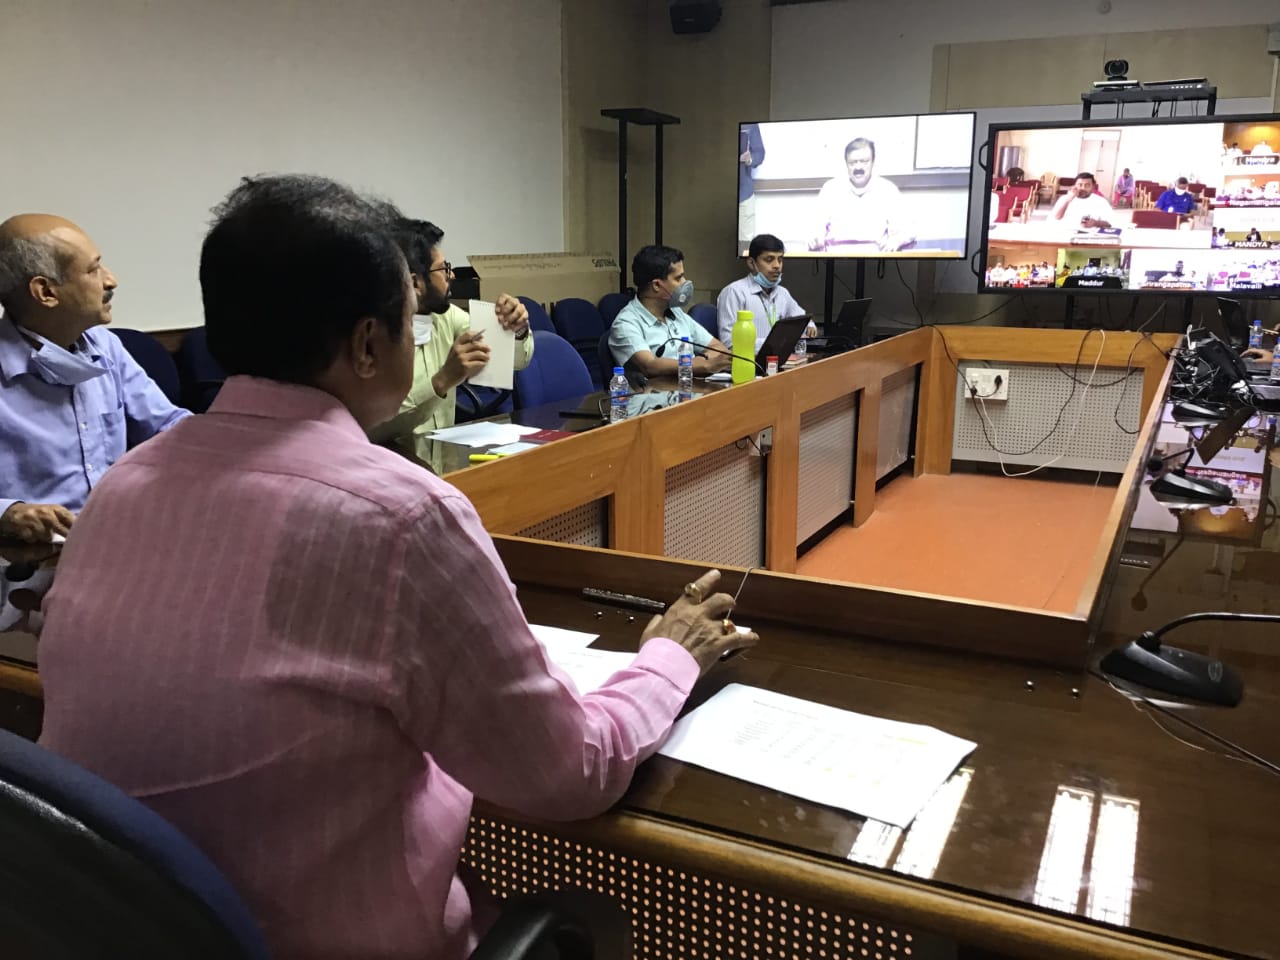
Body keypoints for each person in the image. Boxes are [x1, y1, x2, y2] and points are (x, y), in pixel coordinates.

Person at [35, 174, 759, 960]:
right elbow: (569, 775)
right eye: (413, 319)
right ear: (371, 343)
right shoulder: (402, 516)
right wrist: (670, 655)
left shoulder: (121, 486)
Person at [369, 219, 531, 442]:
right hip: (392, 465)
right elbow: (376, 426)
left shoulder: (447, 317)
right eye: (444, 269)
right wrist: (443, 380)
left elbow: (512, 360)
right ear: (415, 283)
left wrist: (516, 327)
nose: (452, 275)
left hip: (443, 459)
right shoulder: (373, 336)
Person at [608, 244, 731, 377]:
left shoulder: (676, 313)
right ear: (656, 285)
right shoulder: (626, 323)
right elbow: (649, 365)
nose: (685, 282)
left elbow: (718, 348)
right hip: (654, 396)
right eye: (678, 278)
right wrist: (704, 365)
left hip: (691, 389)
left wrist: (701, 360)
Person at [811, 138, 914, 252]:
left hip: (875, 260)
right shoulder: (830, 189)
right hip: (836, 258)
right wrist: (815, 238)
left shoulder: (887, 190)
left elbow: (908, 230)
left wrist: (896, 240)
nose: (858, 167)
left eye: (864, 161)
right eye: (853, 162)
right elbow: (815, 228)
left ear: (873, 162)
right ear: (846, 164)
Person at [715, 234, 814, 347]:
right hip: (749, 362)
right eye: (769, 260)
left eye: (780, 260)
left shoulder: (782, 293)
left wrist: (809, 327)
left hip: (777, 360)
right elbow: (729, 342)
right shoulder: (734, 292)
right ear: (751, 263)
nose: (777, 266)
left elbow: (802, 321)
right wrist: (774, 343)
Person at [738, 122, 765, 249]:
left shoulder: (750, 125)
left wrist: (749, 159)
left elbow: (759, 153)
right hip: (716, 192)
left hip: (743, 194)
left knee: (746, 247)